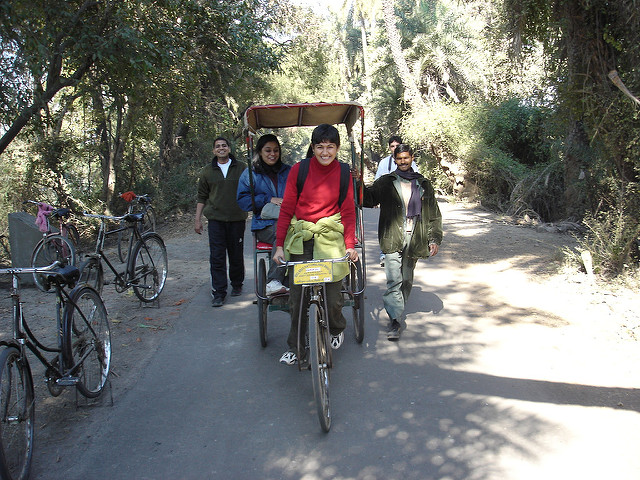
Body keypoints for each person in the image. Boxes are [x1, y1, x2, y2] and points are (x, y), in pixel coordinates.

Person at [273, 124, 359, 365]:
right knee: (297, 299)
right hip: (301, 238)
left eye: (330, 147)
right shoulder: (299, 171)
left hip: (330, 238)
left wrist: (350, 245)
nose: (325, 152)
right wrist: (279, 245)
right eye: (320, 147)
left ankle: (336, 328)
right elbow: (287, 207)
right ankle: (297, 348)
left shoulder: (343, 172)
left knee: (333, 298)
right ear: (313, 148)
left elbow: (348, 211)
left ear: (337, 148)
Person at [361, 143, 442, 341]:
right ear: (394, 160)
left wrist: (434, 239)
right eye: (399, 158)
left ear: (412, 157)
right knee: (393, 280)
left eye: (406, 157)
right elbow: (368, 199)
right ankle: (395, 319)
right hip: (392, 236)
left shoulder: (424, 184)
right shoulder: (386, 182)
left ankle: (397, 309)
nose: (403, 161)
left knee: (406, 279)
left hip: (415, 237)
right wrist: (358, 183)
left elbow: (434, 215)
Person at [195, 137, 248, 307]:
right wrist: (197, 219)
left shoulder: (241, 168)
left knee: (236, 254)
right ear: (213, 151)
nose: (221, 148)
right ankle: (219, 292)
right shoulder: (207, 171)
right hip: (216, 220)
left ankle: (237, 284)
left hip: (237, 219)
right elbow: (202, 196)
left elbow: (250, 190)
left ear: (229, 148)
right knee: (217, 257)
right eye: (217, 146)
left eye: (224, 145)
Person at [237, 134, 291, 296]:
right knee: (284, 233)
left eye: (276, 150)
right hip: (264, 224)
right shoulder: (250, 174)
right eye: (268, 150)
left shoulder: (288, 171)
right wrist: (268, 199)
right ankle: (273, 281)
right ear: (260, 152)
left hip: (290, 221)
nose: (272, 154)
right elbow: (243, 201)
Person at [374, 135, 419, 267]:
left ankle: (406, 253)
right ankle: (385, 254)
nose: (394, 148)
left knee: (406, 227)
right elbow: (378, 181)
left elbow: (416, 181)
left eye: (396, 146)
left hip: (406, 201)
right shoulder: (384, 163)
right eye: (392, 146)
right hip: (388, 202)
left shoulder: (411, 164)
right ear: (389, 148)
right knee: (388, 227)